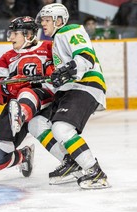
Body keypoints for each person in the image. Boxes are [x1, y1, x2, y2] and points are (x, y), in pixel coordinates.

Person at [35, 3, 110, 189]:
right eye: (42, 20)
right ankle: (71, 162)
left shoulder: (69, 30)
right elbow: (60, 78)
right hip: (70, 89)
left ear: (59, 20)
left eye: (47, 20)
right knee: (36, 123)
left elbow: (85, 56)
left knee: (61, 128)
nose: (43, 24)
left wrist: (70, 69)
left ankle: (95, 171)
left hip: (86, 85)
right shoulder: (56, 42)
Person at [0, 16, 54, 177]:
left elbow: (61, 74)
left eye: (14, 33)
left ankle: (21, 115)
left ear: (29, 34)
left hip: (44, 103)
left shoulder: (49, 48)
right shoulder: (6, 58)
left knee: (27, 92)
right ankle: (24, 156)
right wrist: (8, 86)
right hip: (14, 108)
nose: (10, 37)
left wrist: (51, 71)